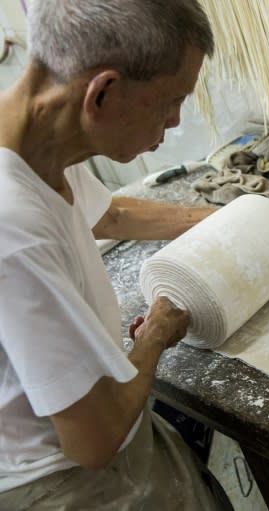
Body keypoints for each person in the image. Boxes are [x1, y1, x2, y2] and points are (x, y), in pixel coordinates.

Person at [0, 0, 228, 508]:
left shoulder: (34, 136)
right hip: (58, 479)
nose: (174, 120)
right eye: (172, 100)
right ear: (102, 93)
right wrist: (153, 338)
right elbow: (94, 441)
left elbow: (110, 216)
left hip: (104, 418)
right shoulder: (12, 227)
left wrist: (227, 221)